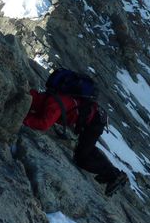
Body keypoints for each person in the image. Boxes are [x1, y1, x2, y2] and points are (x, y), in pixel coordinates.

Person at [23, 69, 128, 197]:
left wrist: (24, 119)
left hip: (94, 122)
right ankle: (114, 175)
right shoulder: (48, 98)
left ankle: (113, 176)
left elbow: (44, 124)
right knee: (87, 148)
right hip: (95, 116)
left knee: (81, 158)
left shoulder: (52, 103)